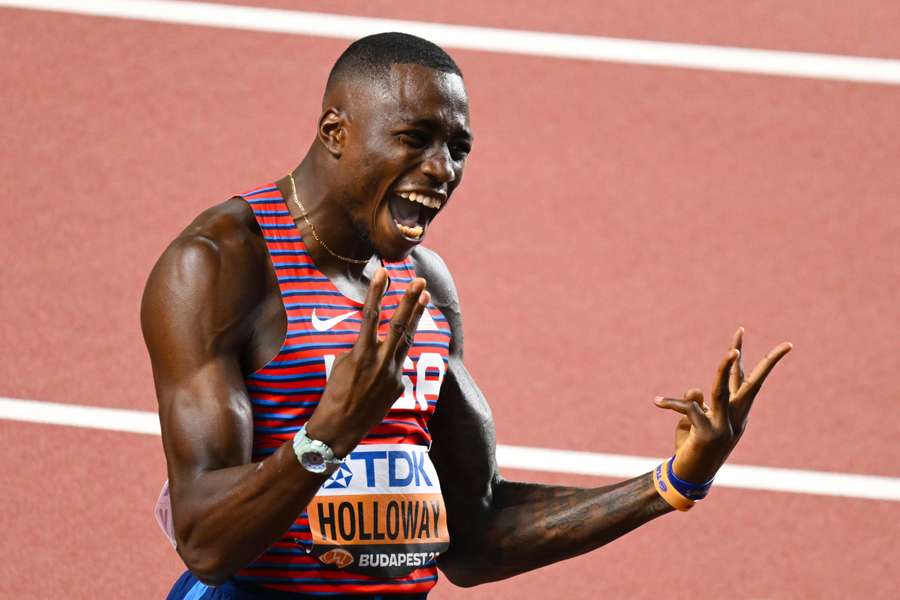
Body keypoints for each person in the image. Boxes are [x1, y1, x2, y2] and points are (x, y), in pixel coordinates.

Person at [141, 32, 792, 599]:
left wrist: (674, 482)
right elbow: (205, 542)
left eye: (459, 147)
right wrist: (329, 433)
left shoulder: (422, 284)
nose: (442, 170)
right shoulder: (221, 267)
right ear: (335, 133)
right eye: (414, 139)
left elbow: (474, 535)